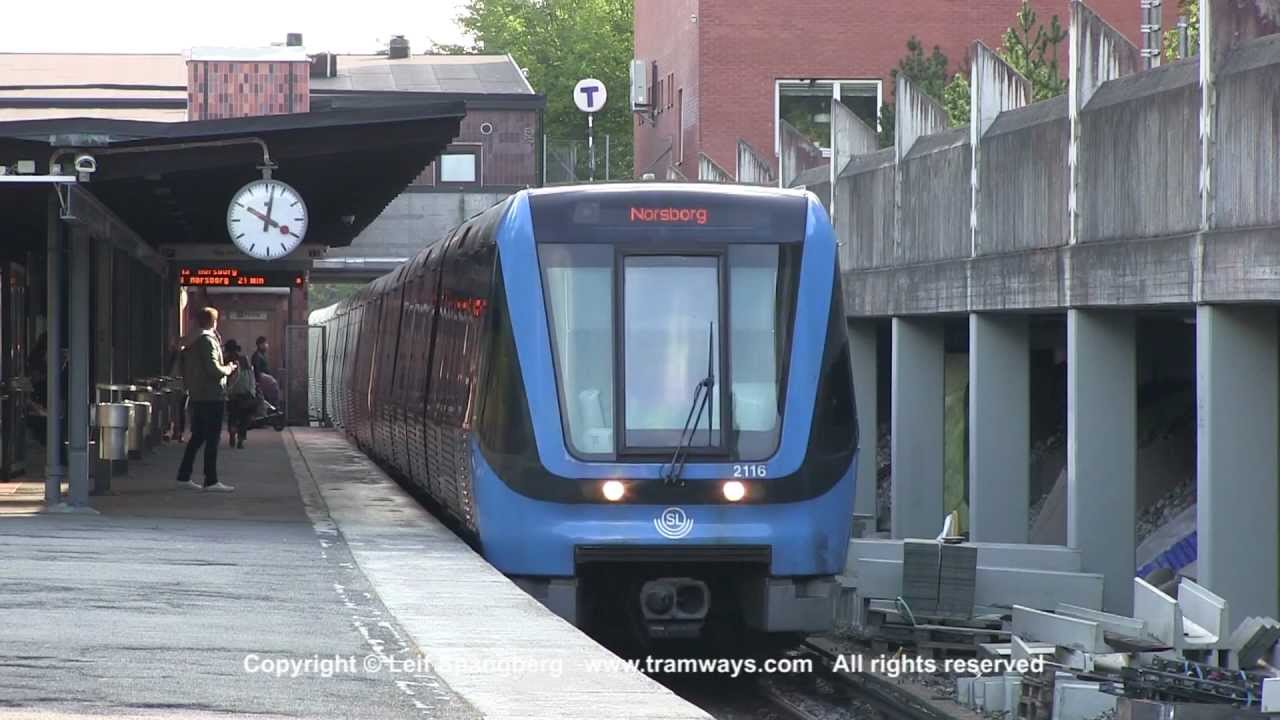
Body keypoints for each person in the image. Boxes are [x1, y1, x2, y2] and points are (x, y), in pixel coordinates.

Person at [175, 307, 236, 492]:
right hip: (212, 396)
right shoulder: (207, 341)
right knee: (212, 438)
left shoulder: (191, 340)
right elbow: (213, 369)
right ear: (213, 322)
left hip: (197, 394)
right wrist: (229, 369)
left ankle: (184, 476)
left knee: (198, 436)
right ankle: (211, 480)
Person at [224, 340, 256, 449]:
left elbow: (225, 378)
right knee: (244, 416)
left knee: (233, 414)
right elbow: (250, 375)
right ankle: (241, 439)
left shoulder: (226, 360)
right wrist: (252, 390)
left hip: (232, 393)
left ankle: (232, 431)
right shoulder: (244, 359)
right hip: (245, 392)